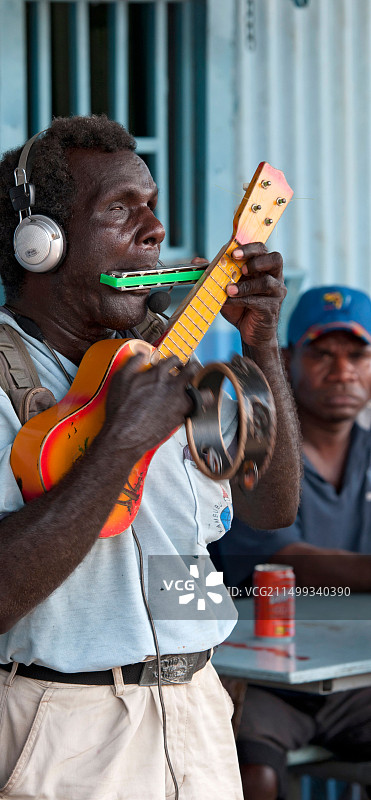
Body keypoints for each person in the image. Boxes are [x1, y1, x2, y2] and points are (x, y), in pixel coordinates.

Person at [0, 115, 300, 800]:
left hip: (198, 709)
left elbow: (270, 508)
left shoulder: (163, 355)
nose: (153, 230)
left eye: (151, 208)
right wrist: (122, 440)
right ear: (41, 243)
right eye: (121, 210)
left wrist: (262, 351)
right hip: (62, 731)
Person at [217, 284, 371, 800]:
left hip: (356, 678)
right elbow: (283, 558)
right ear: (285, 359)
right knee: (251, 776)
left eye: (358, 354)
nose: (343, 370)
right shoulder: (257, 448)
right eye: (322, 353)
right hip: (264, 678)